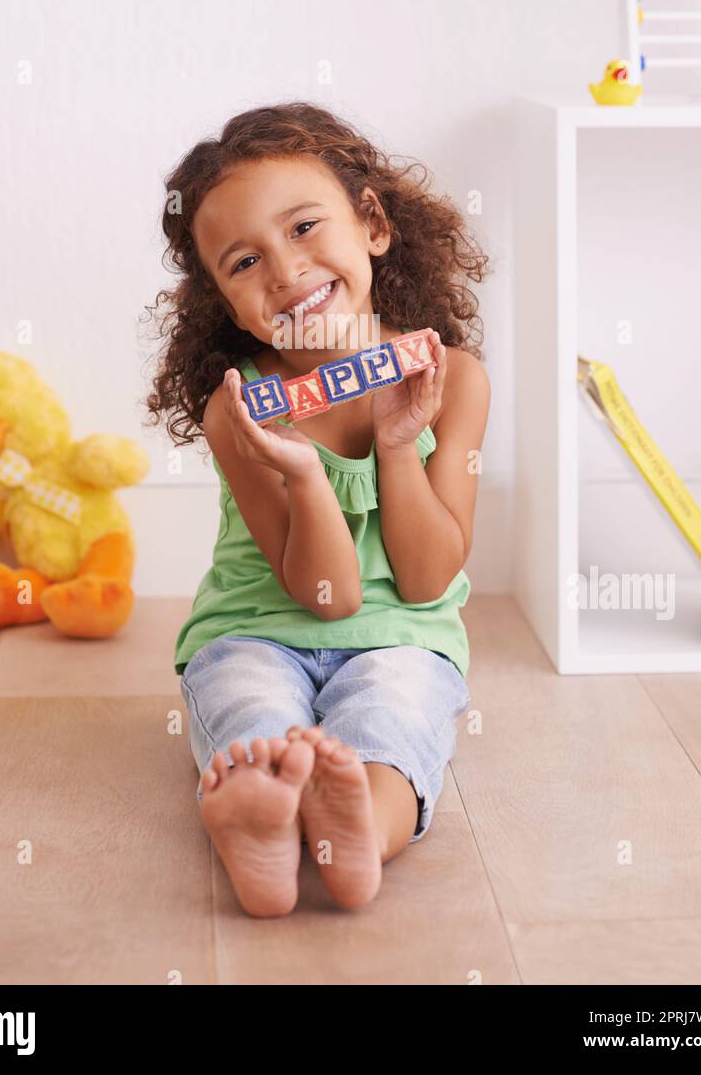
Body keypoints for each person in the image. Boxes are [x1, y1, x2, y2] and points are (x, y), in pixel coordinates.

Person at [145, 102, 491, 917]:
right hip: (258, 626)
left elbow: (427, 578)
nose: (287, 271)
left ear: (370, 222)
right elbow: (323, 595)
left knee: (394, 716)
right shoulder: (241, 411)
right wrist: (303, 474)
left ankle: (358, 834)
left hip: (404, 636)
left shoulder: (456, 380)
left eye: (304, 227)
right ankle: (259, 823)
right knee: (252, 707)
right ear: (224, 304)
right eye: (243, 262)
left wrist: (401, 442)